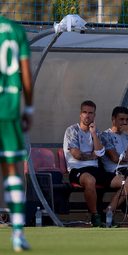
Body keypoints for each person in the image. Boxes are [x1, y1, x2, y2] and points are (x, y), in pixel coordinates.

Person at [63, 100, 128, 228]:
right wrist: (92, 155)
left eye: (90, 113)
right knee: (90, 180)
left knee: (127, 183)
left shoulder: (95, 131)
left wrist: (94, 134)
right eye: (84, 112)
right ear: (80, 114)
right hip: (77, 169)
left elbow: (99, 152)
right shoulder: (72, 130)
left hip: (95, 169)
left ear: (94, 115)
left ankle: (108, 213)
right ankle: (95, 216)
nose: (87, 115)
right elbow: (76, 154)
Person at [0, 15, 33, 252]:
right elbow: (26, 75)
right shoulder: (15, 30)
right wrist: (28, 108)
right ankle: (18, 232)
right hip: (9, 111)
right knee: (13, 170)